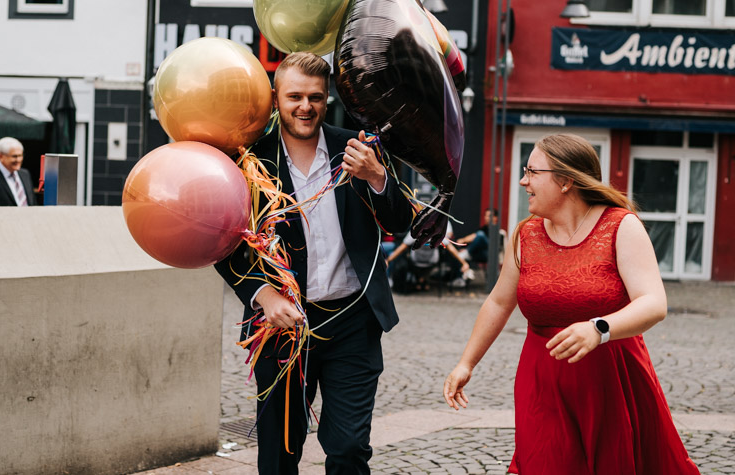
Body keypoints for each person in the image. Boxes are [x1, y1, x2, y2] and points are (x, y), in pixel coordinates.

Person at [443, 133, 699, 474]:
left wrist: (599, 328)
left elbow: (653, 303)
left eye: (532, 172)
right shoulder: (525, 235)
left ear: (565, 181)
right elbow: (499, 302)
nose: (523, 181)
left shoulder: (621, 227)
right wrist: (466, 363)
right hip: (543, 384)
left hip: (612, 383)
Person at [215, 52, 413, 475]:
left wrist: (377, 177)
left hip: (353, 322)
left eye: (316, 97)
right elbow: (225, 243)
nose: (306, 106)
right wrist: (262, 294)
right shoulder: (249, 163)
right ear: (275, 99)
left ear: (328, 101)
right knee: (279, 451)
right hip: (281, 326)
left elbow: (400, 218)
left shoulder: (358, 149)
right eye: (295, 97)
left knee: (348, 448)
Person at [386, 222, 470, 292]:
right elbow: (451, 249)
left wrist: (388, 260)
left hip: (416, 260)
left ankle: (421, 280)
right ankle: (422, 280)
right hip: (432, 261)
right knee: (441, 255)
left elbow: (401, 248)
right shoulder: (438, 233)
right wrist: (464, 263)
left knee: (408, 257)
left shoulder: (415, 232)